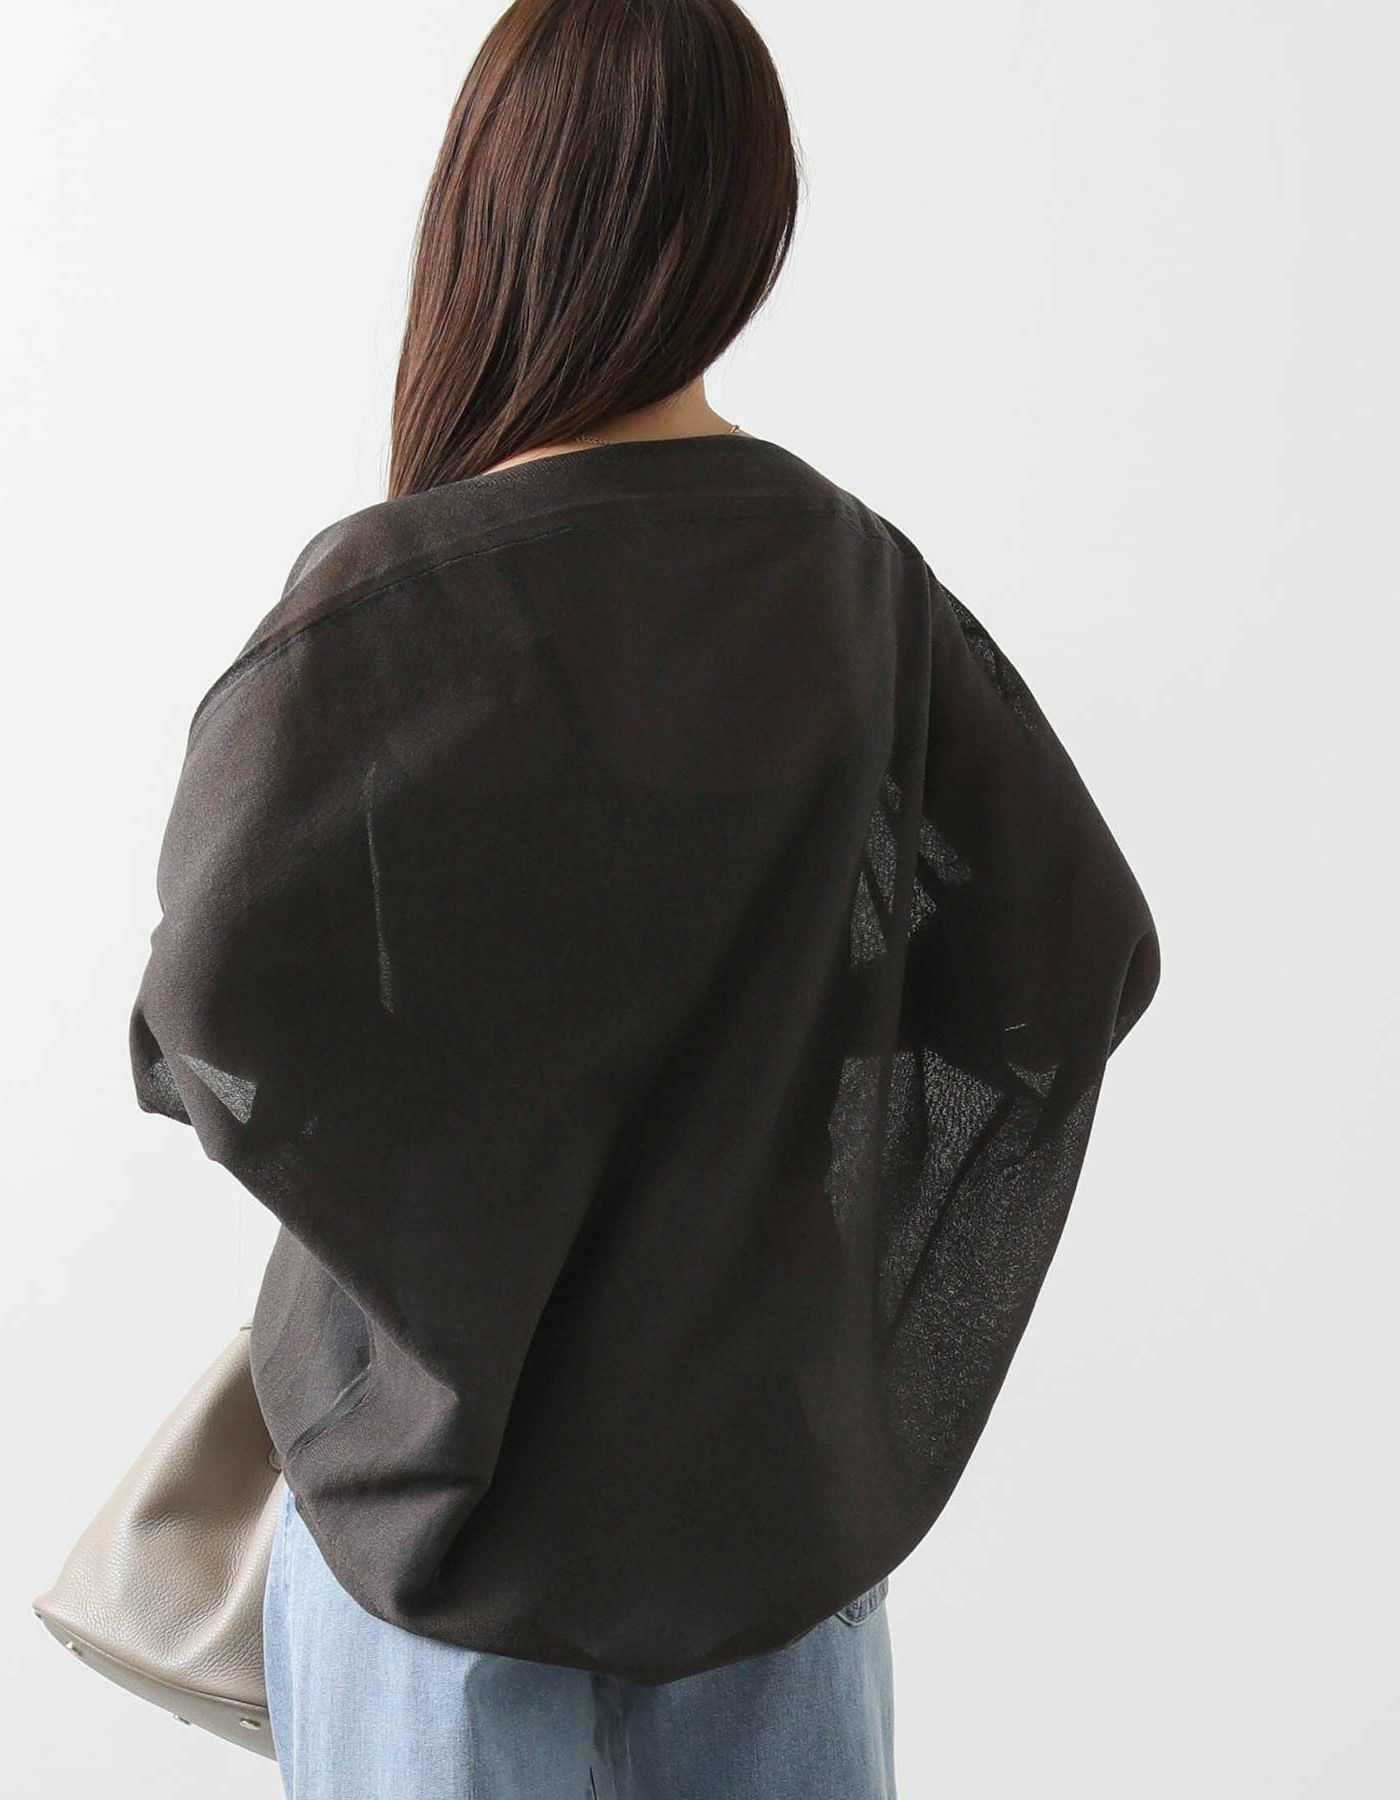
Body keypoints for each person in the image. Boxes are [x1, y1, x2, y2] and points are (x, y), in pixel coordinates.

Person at [128, 2, 1160, 1795]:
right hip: (770, 1540)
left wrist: (435, 1221)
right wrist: (809, 1183)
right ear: (749, 221)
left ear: (492, 215)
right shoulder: (854, 590)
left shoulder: (382, 607)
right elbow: (1070, 957)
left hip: (437, 1544)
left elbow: (201, 1020)